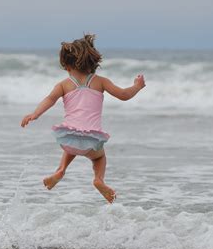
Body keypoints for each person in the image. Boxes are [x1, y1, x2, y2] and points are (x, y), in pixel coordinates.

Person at [21, 34, 145, 203]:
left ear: (66, 66)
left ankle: (60, 170)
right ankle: (99, 180)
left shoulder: (63, 84)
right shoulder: (101, 81)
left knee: (72, 143)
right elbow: (124, 95)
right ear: (93, 62)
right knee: (99, 157)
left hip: (68, 138)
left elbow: (50, 99)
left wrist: (34, 114)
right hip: (91, 139)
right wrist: (137, 86)